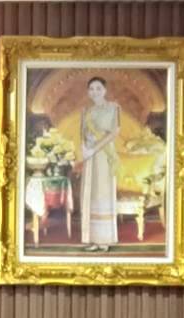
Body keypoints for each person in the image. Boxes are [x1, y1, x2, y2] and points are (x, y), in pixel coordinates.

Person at [77, 76, 120, 252]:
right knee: (90, 193)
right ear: (88, 92)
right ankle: (93, 239)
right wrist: (85, 149)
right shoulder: (86, 111)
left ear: (105, 90)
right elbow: (82, 133)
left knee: (103, 192)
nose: (95, 92)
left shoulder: (113, 108)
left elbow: (114, 132)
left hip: (104, 154)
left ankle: (105, 240)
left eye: (98, 88)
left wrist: (94, 149)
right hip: (89, 156)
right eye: (91, 89)